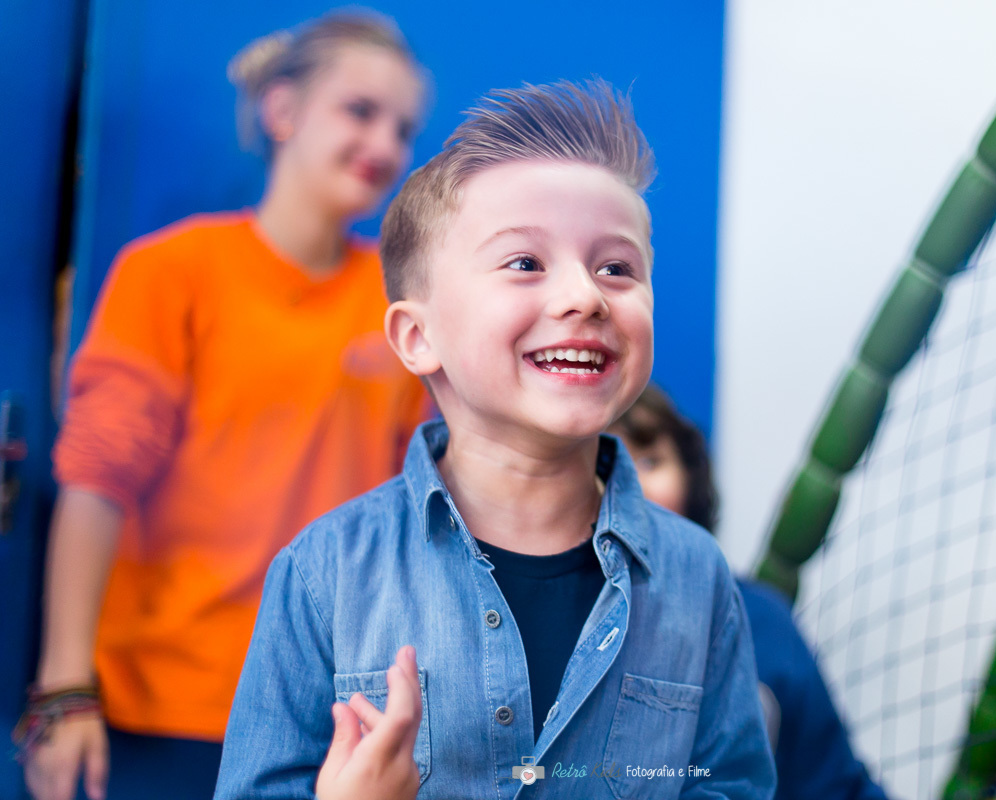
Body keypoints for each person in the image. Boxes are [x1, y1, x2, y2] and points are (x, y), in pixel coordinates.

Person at [214, 79, 776, 799]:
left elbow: (728, 786)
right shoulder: (324, 572)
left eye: (617, 267)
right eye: (525, 264)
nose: (587, 295)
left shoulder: (698, 577)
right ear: (418, 338)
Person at [19, 13, 429, 800]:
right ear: (282, 113)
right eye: (360, 111)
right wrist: (64, 689)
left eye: (405, 127)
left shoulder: (402, 305)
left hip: (331, 714)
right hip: (155, 705)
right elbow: (97, 483)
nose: (386, 145)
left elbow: (417, 514)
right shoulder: (170, 274)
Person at [609, 384, 890, 800]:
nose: (631, 486)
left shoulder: (760, 619)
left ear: (691, 477)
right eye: (609, 466)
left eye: (650, 461)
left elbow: (834, 783)